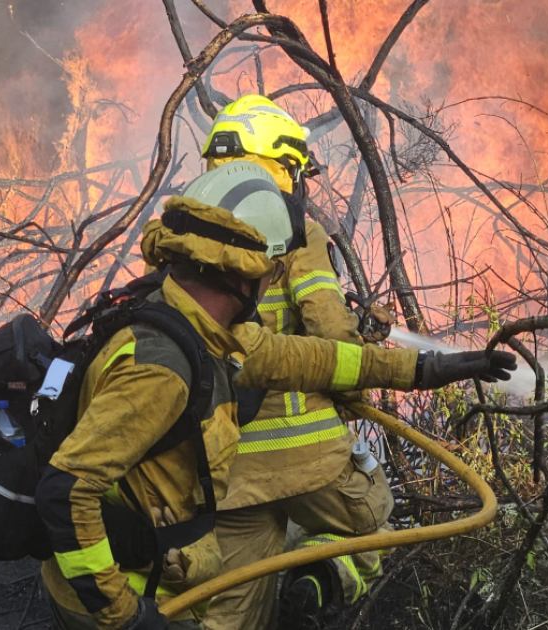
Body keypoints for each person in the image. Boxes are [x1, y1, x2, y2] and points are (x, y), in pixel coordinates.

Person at [35, 162, 517, 630]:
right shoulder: (162, 369)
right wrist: (124, 615)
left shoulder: (201, 329)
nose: (272, 281)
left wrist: (425, 368)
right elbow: (66, 490)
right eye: (272, 270)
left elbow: (316, 359)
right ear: (240, 275)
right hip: (123, 601)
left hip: (161, 585)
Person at [197, 95, 407, 630]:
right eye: (292, 167)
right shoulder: (295, 232)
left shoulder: (187, 234)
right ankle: (317, 581)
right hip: (303, 454)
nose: (296, 181)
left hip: (224, 469)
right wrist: (356, 388)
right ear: (273, 164)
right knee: (375, 520)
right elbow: (329, 330)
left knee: (230, 605)